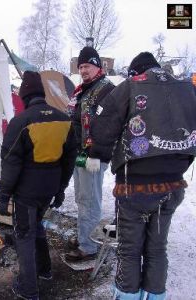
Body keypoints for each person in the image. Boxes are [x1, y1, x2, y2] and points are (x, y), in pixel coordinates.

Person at [88, 52, 196, 299]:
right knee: (158, 248)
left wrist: (97, 155)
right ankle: (155, 295)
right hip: (172, 186)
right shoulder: (187, 90)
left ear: (136, 72)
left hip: (134, 187)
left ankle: (127, 295)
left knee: (130, 249)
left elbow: (104, 128)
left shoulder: (130, 87)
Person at [0, 71, 77, 300]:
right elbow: (69, 158)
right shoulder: (63, 120)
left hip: (26, 192)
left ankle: (29, 290)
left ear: (25, 97)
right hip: (49, 189)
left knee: (24, 235)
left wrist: (3, 196)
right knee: (37, 226)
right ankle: (45, 270)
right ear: (42, 94)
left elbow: (10, 163)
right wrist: (60, 189)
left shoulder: (21, 122)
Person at [65, 46, 115, 261]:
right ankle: (84, 235)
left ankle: (88, 247)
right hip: (80, 152)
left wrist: (98, 153)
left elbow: (110, 124)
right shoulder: (82, 89)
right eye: (81, 67)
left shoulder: (106, 89)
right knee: (81, 197)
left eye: (87, 66)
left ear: (97, 66)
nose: (83, 70)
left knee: (89, 200)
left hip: (93, 155)